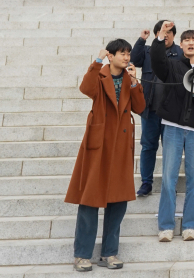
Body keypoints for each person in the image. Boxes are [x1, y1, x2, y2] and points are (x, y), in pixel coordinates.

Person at [66, 39, 145, 272]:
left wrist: (134, 83)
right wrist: (96, 61)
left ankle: (109, 253)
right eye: (122, 53)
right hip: (99, 144)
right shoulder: (99, 75)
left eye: (128, 53)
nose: (127, 57)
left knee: (118, 201)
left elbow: (140, 108)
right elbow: (86, 89)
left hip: (120, 145)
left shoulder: (130, 79)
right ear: (110, 56)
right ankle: (82, 255)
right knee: (90, 199)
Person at [151, 22, 194, 243]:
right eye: (186, 40)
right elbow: (157, 60)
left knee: (193, 179)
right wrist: (161, 36)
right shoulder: (171, 65)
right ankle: (166, 226)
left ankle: (190, 225)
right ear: (180, 44)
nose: (190, 43)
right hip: (172, 125)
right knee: (169, 178)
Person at [130, 21, 181, 198]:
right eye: (161, 32)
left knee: (171, 148)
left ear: (174, 35)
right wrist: (141, 40)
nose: (165, 35)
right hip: (150, 109)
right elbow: (134, 60)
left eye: (168, 32)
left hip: (172, 111)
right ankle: (146, 182)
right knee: (148, 146)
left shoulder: (180, 52)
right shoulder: (147, 50)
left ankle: (169, 183)